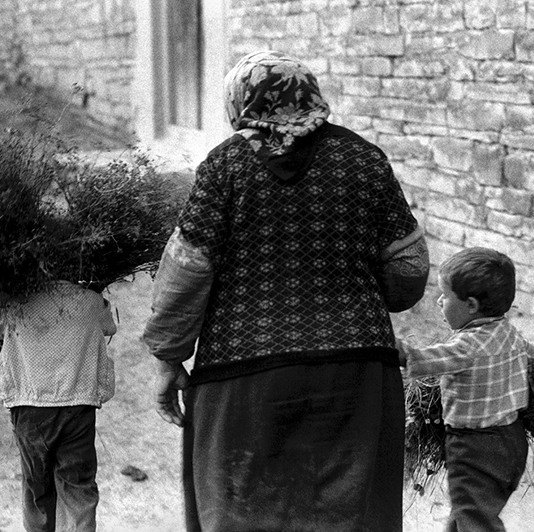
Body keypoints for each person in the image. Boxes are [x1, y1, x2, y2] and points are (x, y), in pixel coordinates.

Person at [142, 50, 429, 531]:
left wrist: (169, 357)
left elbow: (186, 272)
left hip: (244, 379)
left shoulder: (224, 167)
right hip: (357, 374)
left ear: (239, 103)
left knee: (242, 514)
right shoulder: (364, 159)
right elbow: (409, 271)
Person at [395, 247, 534, 532]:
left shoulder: (467, 347)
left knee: (476, 520)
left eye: (446, 296)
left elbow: (429, 359)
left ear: (471, 305)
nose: (439, 302)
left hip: (474, 447)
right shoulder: (508, 332)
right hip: (511, 440)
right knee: (469, 511)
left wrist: (399, 350)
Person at [0, 280, 116, 532]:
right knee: (78, 488)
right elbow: (109, 327)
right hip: (78, 409)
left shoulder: (15, 300)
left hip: (30, 410)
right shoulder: (89, 300)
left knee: (37, 489)